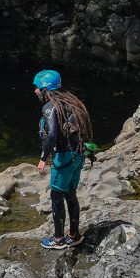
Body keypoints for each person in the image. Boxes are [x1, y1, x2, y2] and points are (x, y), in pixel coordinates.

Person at [33, 69, 93, 250]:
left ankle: (58, 239)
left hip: (64, 158)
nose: (35, 91)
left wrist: (43, 158)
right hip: (78, 154)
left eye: (37, 87)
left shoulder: (49, 107)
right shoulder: (71, 102)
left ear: (45, 88)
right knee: (70, 193)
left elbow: (51, 135)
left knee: (57, 197)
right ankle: (74, 235)